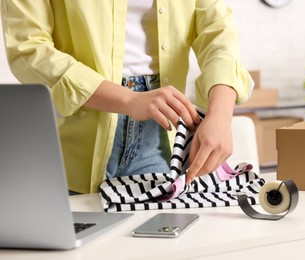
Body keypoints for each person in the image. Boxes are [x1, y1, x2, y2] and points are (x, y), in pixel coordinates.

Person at [1, 0, 253, 194]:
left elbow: (218, 31)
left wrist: (220, 114)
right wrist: (129, 100)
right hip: (79, 133)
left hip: (161, 133)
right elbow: (28, 48)